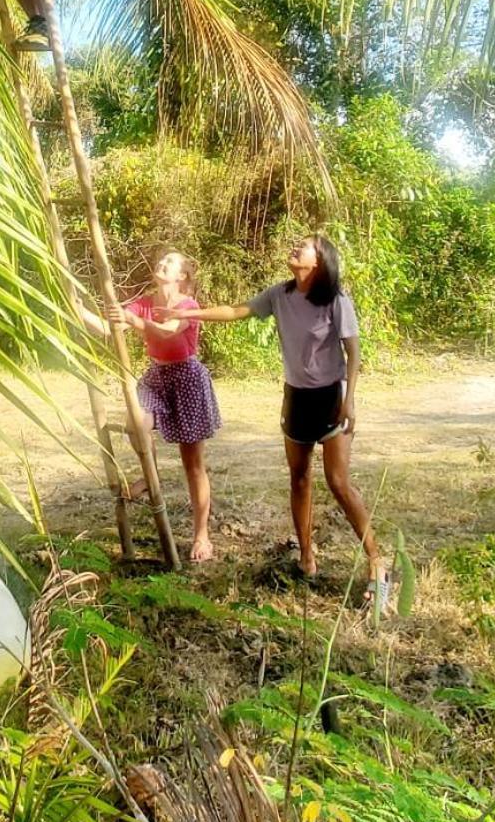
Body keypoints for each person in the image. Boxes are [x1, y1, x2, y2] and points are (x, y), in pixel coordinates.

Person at [166, 235, 386, 604]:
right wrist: (187, 314)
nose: (294, 247)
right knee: (299, 479)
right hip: (296, 398)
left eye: (304, 246)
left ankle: (377, 561)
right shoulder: (279, 295)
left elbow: (353, 351)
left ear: (319, 261)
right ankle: (306, 558)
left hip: (331, 397)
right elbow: (237, 311)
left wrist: (350, 401)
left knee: (337, 481)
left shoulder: (336, 299)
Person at [84, 252, 221, 563]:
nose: (162, 262)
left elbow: (168, 330)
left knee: (193, 464)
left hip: (187, 377)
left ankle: (202, 535)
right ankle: (150, 477)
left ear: (183, 276)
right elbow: (108, 328)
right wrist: (78, 310)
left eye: (170, 262)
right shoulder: (145, 301)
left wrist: (134, 320)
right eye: (161, 259)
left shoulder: (189, 306)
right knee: (136, 424)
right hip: (157, 376)